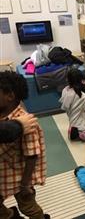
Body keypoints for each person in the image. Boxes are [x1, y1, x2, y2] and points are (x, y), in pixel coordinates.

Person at [0, 71, 49, 219]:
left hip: (20, 177)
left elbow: (32, 155)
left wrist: (25, 185)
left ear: (10, 96)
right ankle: (10, 215)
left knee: (29, 207)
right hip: (3, 174)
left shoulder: (26, 122)